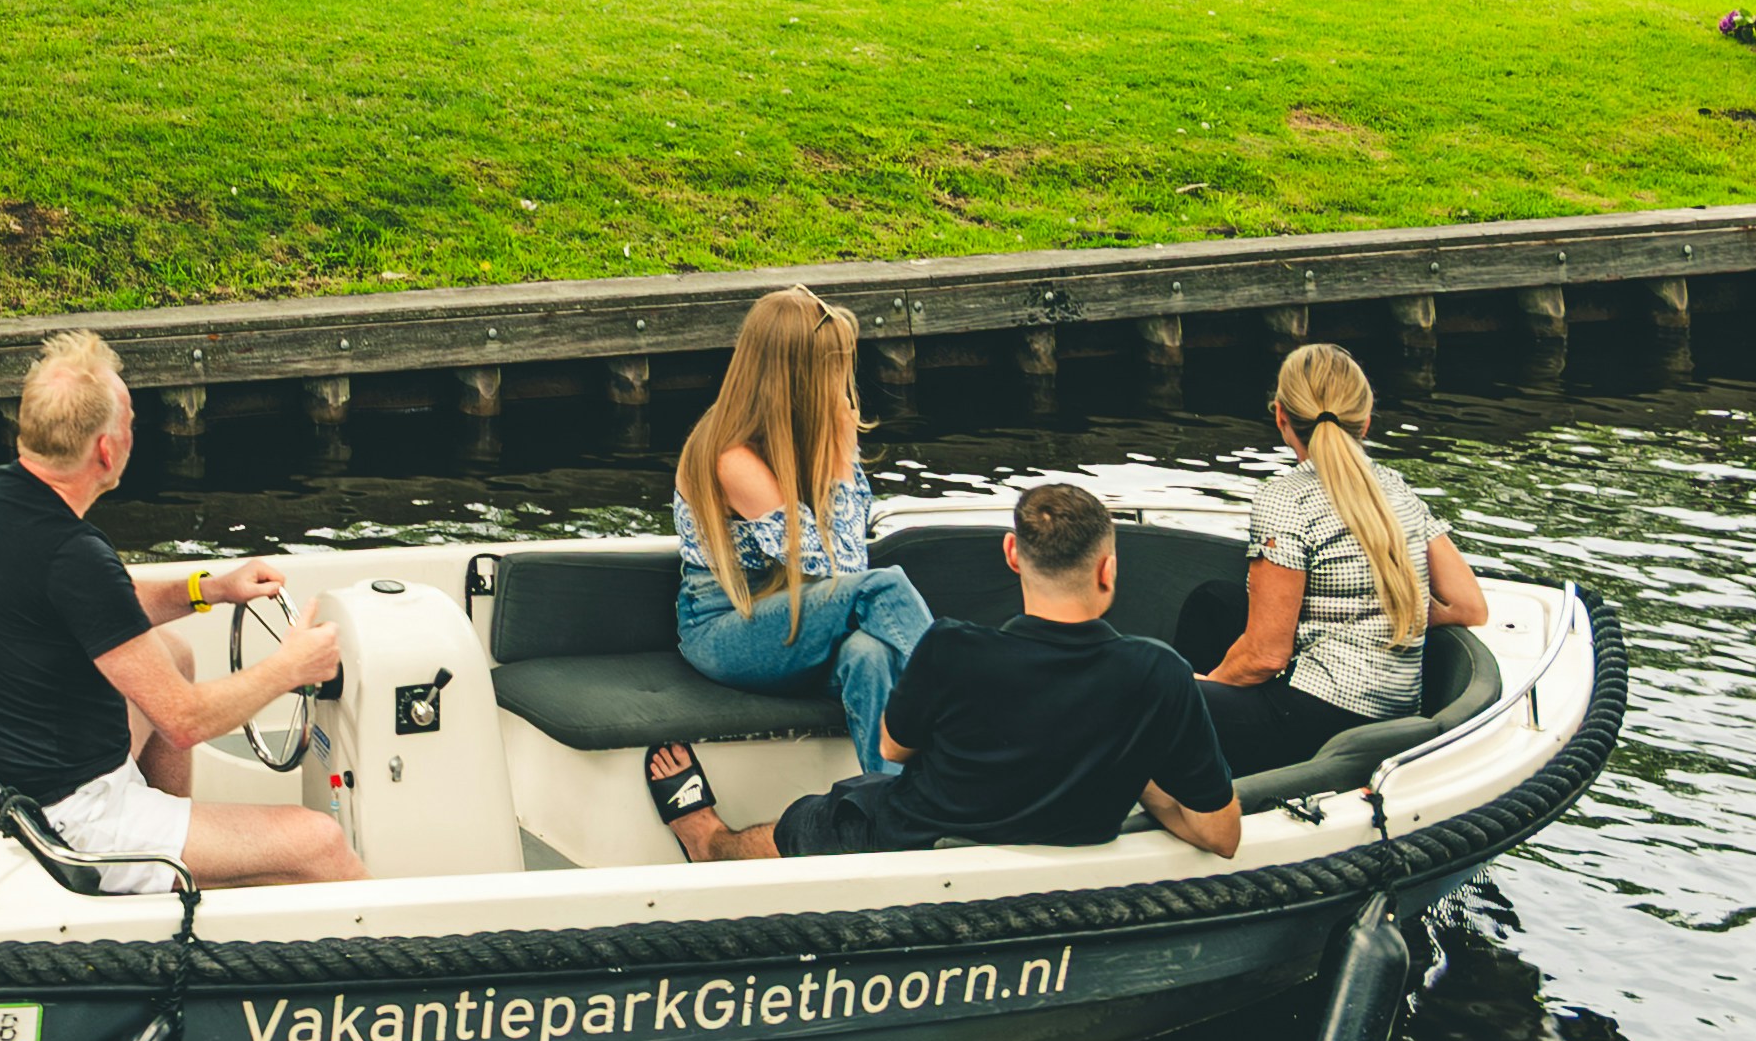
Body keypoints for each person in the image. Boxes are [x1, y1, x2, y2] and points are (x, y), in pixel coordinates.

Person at [0, 329, 361, 889]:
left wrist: (212, 588)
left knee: (174, 654)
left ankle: (174, 870)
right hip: (68, 821)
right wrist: (291, 668)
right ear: (107, 449)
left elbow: (103, 604)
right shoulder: (72, 554)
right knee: (319, 844)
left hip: (8, 770)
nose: (135, 434)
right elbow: (185, 721)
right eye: (130, 422)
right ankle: (413, 972)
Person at [636, 482, 1242, 864]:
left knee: (813, 818)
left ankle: (711, 843)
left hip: (921, 837)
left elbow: (892, 747)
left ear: (1011, 555)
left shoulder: (952, 649)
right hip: (1068, 838)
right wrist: (1131, 770)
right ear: (1108, 569)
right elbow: (1221, 836)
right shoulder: (1160, 673)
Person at [1178, 342, 1496, 773]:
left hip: (1314, 720)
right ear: (1364, 423)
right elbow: (1467, 605)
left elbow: (1266, 656)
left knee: (1153, 694)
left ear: (1281, 417)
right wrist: (1376, 614)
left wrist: (1202, 691)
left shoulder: (1285, 498)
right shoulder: (1395, 487)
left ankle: (1201, 775)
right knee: (1214, 601)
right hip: (1395, 709)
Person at [671, 284, 935, 772]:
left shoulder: (790, 436)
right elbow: (848, 571)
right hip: (726, 629)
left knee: (869, 654)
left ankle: (896, 814)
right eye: (833, 369)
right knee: (885, 585)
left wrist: (834, 453)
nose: (843, 383)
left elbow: (838, 571)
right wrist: (841, 458)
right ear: (797, 376)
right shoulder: (732, 459)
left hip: (795, 620)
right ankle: (976, 713)